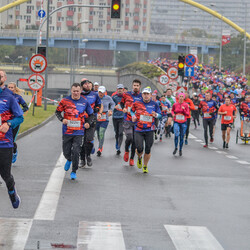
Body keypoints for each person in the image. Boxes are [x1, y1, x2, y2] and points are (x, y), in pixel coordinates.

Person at [55, 83, 94, 180]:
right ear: (71, 91)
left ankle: (74, 171)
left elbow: (92, 115)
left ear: (80, 91)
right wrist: (62, 119)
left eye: (77, 91)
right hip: (67, 131)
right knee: (66, 152)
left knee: (76, 151)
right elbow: (57, 112)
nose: (76, 93)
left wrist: (88, 123)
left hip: (79, 132)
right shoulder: (65, 101)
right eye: (74, 91)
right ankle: (69, 159)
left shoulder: (84, 102)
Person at [0, 70, 24, 208]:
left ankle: (12, 192)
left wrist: (8, 124)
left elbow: (20, 117)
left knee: (6, 175)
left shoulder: (9, 97)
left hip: (4, 143)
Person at [131, 87, 161, 173]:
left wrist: (156, 115)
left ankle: (145, 166)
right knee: (140, 148)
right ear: (142, 95)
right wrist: (133, 116)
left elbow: (160, 115)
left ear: (151, 95)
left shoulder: (154, 104)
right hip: (138, 129)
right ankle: (139, 157)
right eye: (144, 94)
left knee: (148, 149)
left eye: (148, 94)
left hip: (150, 129)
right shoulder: (137, 103)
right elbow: (132, 111)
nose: (146, 96)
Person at [80, 78, 103, 167]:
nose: (88, 85)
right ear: (82, 86)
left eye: (89, 83)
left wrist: (98, 111)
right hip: (80, 120)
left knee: (89, 140)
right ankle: (82, 159)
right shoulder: (79, 94)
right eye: (85, 84)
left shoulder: (94, 95)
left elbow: (99, 104)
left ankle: (88, 155)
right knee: (81, 141)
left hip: (91, 119)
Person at [119, 79, 142, 166]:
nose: (135, 87)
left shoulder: (141, 96)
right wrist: (123, 108)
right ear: (132, 86)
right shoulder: (126, 94)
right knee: (129, 138)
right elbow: (121, 103)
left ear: (140, 87)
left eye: (137, 86)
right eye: (134, 85)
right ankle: (126, 151)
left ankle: (132, 158)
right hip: (127, 119)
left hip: (137, 121)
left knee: (135, 141)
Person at [7, 82, 29, 163]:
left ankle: (14, 152)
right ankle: (6, 157)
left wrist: (19, 111)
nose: (10, 89)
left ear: (15, 89)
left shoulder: (18, 97)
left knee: (12, 140)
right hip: (6, 121)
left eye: (12, 87)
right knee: (5, 139)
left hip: (15, 121)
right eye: (9, 87)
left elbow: (26, 107)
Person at [96, 86, 115, 156]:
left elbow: (113, 104)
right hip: (97, 117)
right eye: (99, 92)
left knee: (101, 132)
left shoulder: (108, 98)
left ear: (104, 92)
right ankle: (100, 144)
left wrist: (111, 110)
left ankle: (100, 148)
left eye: (102, 92)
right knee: (98, 133)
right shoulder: (95, 97)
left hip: (105, 118)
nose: (101, 94)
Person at [112, 84, 124, 155]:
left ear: (123, 90)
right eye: (118, 89)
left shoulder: (125, 97)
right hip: (115, 117)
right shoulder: (114, 97)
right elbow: (111, 105)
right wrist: (114, 107)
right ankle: (117, 142)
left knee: (120, 132)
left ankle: (119, 147)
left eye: (121, 89)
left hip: (122, 117)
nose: (120, 90)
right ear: (117, 89)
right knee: (116, 132)